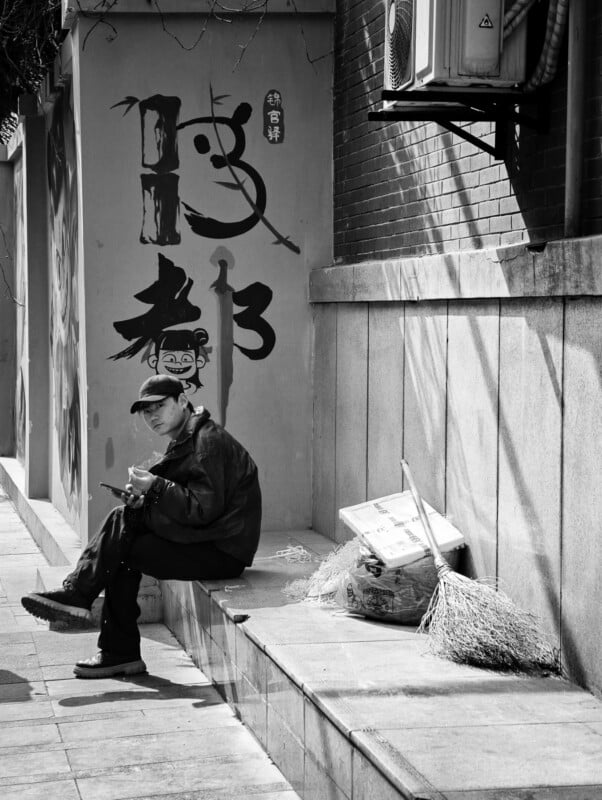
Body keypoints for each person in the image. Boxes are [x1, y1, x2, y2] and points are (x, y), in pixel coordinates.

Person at [21, 375, 261, 679]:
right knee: (123, 532)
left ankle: (96, 619)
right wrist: (145, 500)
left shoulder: (206, 442)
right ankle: (106, 635)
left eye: (159, 406)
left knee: (122, 539)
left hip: (223, 552)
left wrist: (155, 486)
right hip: (209, 540)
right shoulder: (189, 437)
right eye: (147, 411)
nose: (152, 416)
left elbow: (202, 509)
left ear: (183, 401)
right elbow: (188, 503)